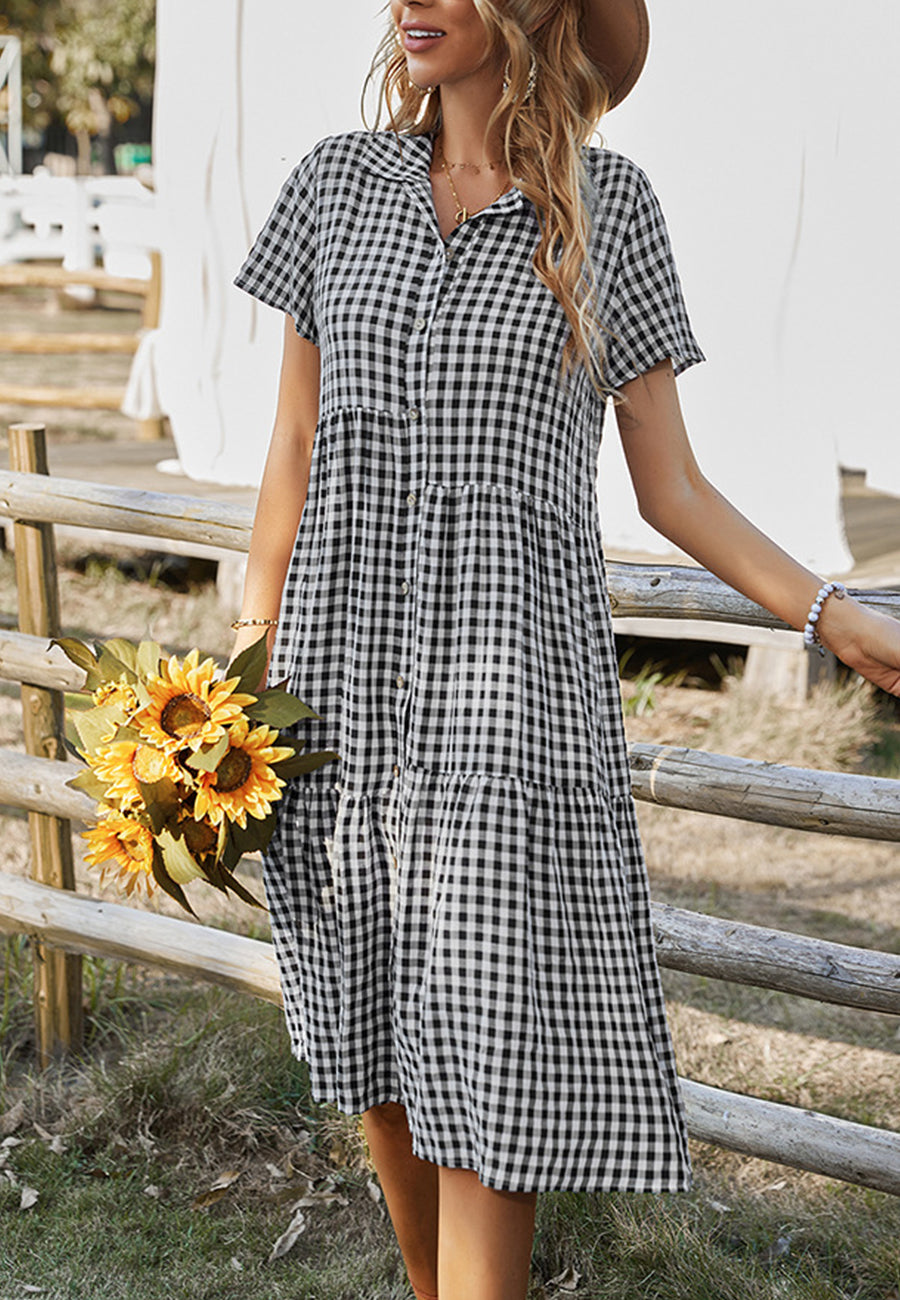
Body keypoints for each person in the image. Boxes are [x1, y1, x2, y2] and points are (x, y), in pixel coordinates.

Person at [231, 2, 900, 1296]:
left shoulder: (611, 210)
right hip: (337, 680)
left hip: (508, 693)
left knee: (490, 1057)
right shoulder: (333, 184)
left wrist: (828, 611)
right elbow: (296, 445)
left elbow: (675, 489)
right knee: (367, 1032)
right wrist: (242, 670)